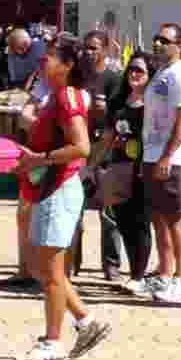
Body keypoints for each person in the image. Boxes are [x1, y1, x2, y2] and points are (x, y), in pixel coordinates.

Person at [13, 37, 111, 360]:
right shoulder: (57, 95)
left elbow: (82, 147)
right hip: (50, 187)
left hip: (60, 188)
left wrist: (39, 159)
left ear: (68, 65)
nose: (44, 61)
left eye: (51, 57)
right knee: (41, 267)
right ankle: (86, 321)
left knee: (52, 272)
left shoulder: (67, 96)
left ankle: (52, 343)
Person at [141, 23, 181, 305]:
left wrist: (168, 155)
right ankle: (165, 275)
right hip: (151, 154)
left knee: (176, 217)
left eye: (164, 40)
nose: (157, 44)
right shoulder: (161, 73)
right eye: (156, 39)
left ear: (179, 45)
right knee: (159, 217)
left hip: (173, 158)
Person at [87, 54, 154, 295]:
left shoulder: (154, 102)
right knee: (123, 221)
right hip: (120, 166)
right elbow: (107, 137)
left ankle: (139, 276)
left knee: (141, 222)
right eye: (131, 69)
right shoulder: (118, 101)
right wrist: (91, 165)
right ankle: (134, 273)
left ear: (150, 75)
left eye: (140, 70)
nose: (134, 74)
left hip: (144, 168)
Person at [80, 30, 125, 280]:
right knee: (74, 210)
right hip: (79, 148)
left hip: (106, 151)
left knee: (109, 213)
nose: (88, 52)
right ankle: (70, 262)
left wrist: (103, 110)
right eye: (86, 47)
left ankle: (111, 265)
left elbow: (119, 118)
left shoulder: (114, 79)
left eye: (94, 48)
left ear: (105, 50)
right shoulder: (77, 77)